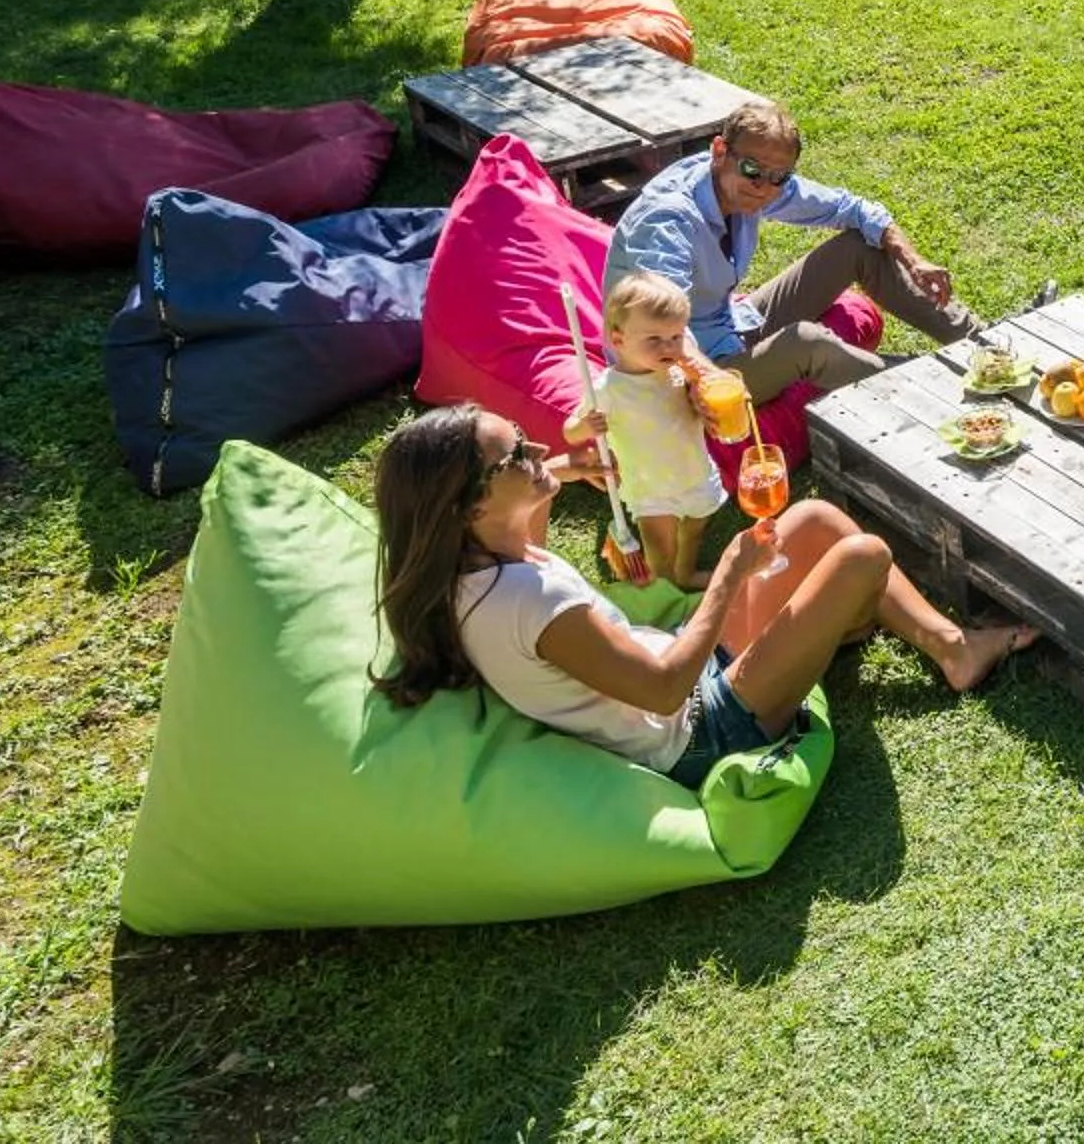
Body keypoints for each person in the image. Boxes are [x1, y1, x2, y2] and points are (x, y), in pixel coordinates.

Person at [373, 404, 1030, 784]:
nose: (536, 446)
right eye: (516, 455)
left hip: (695, 682)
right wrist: (729, 575)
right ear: (469, 504)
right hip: (705, 731)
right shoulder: (527, 605)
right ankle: (852, 621)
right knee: (862, 555)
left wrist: (559, 473)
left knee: (815, 524)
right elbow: (661, 690)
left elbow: (532, 542)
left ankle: (953, 649)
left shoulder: (475, 563)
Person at [605, 99, 975, 404]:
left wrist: (913, 259)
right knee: (804, 342)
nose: (764, 187)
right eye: (753, 169)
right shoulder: (667, 222)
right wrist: (714, 385)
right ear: (719, 151)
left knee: (859, 244)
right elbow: (662, 331)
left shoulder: (750, 183)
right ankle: (936, 384)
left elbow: (854, 209)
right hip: (679, 376)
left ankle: (979, 341)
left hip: (729, 325)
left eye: (779, 177)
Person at [561, 271, 725, 590]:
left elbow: (698, 407)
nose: (669, 346)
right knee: (660, 547)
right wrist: (585, 425)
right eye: (654, 339)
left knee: (693, 529)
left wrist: (703, 401)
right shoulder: (609, 389)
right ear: (618, 339)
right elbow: (569, 432)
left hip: (693, 472)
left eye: (677, 336)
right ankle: (664, 591)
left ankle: (685, 573)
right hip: (651, 487)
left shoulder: (680, 372)